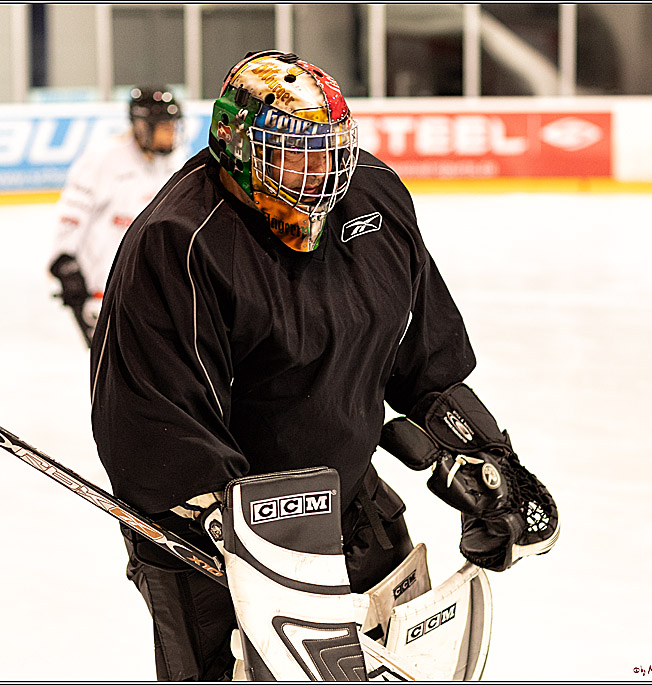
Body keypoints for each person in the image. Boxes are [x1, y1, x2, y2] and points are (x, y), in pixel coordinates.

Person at [89, 51, 558, 680]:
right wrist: (259, 553)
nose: (320, 175)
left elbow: (424, 357)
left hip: (348, 495)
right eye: (294, 153)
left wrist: (489, 458)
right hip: (216, 527)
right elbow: (154, 427)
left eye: (332, 150)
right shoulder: (179, 243)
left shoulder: (374, 199)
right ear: (235, 145)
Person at [49, 85, 190, 345]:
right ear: (141, 126)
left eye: (173, 125)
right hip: (101, 292)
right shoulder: (103, 159)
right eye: (164, 126)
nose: (171, 134)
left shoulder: (175, 160)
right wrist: (65, 264)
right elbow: (72, 212)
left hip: (150, 289)